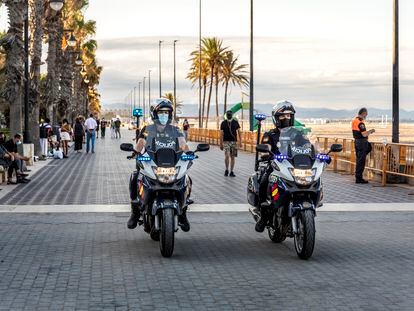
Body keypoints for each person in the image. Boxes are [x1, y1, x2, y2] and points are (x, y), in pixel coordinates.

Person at [128, 98, 191, 231]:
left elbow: (183, 144)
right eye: (161, 112)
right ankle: (135, 212)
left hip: (170, 164)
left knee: (187, 179)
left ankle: (183, 212)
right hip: (153, 162)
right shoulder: (147, 129)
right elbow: (141, 143)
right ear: (155, 114)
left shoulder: (176, 130)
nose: (164, 115)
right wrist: (135, 152)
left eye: (167, 112)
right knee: (134, 177)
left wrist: (189, 153)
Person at [255, 101, 296, 232]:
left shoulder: (297, 134)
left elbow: (308, 147)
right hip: (275, 167)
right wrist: (267, 154)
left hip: (293, 168)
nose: (286, 118)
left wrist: (317, 153)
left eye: (289, 115)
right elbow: (264, 151)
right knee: (263, 182)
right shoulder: (270, 135)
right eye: (283, 116)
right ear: (276, 118)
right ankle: (264, 215)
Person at [352, 108, 375, 184]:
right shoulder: (360, 123)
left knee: (360, 159)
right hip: (361, 142)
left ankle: (358, 177)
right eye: (366, 114)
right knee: (361, 161)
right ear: (363, 113)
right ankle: (359, 178)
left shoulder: (354, 120)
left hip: (357, 142)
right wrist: (371, 131)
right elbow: (364, 134)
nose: (366, 115)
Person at [219, 110, 242, 177]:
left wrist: (240, 141)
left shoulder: (235, 122)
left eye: (229, 114)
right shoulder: (223, 123)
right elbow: (221, 134)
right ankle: (226, 169)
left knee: (233, 157)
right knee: (227, 156)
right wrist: (220, 143)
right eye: (228, 114)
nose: (229, 115)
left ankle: (231, 171)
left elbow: (239, 132)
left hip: (234, 142)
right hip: (226, 142)